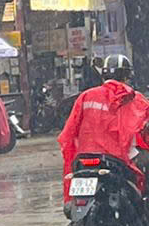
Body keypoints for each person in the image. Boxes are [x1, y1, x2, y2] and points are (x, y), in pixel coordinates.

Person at [58, 55, 149, 198]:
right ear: (127, 77)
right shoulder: (135, 99)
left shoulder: (86, 96)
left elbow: (68, 133)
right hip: (118, 159)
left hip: (84, 158)